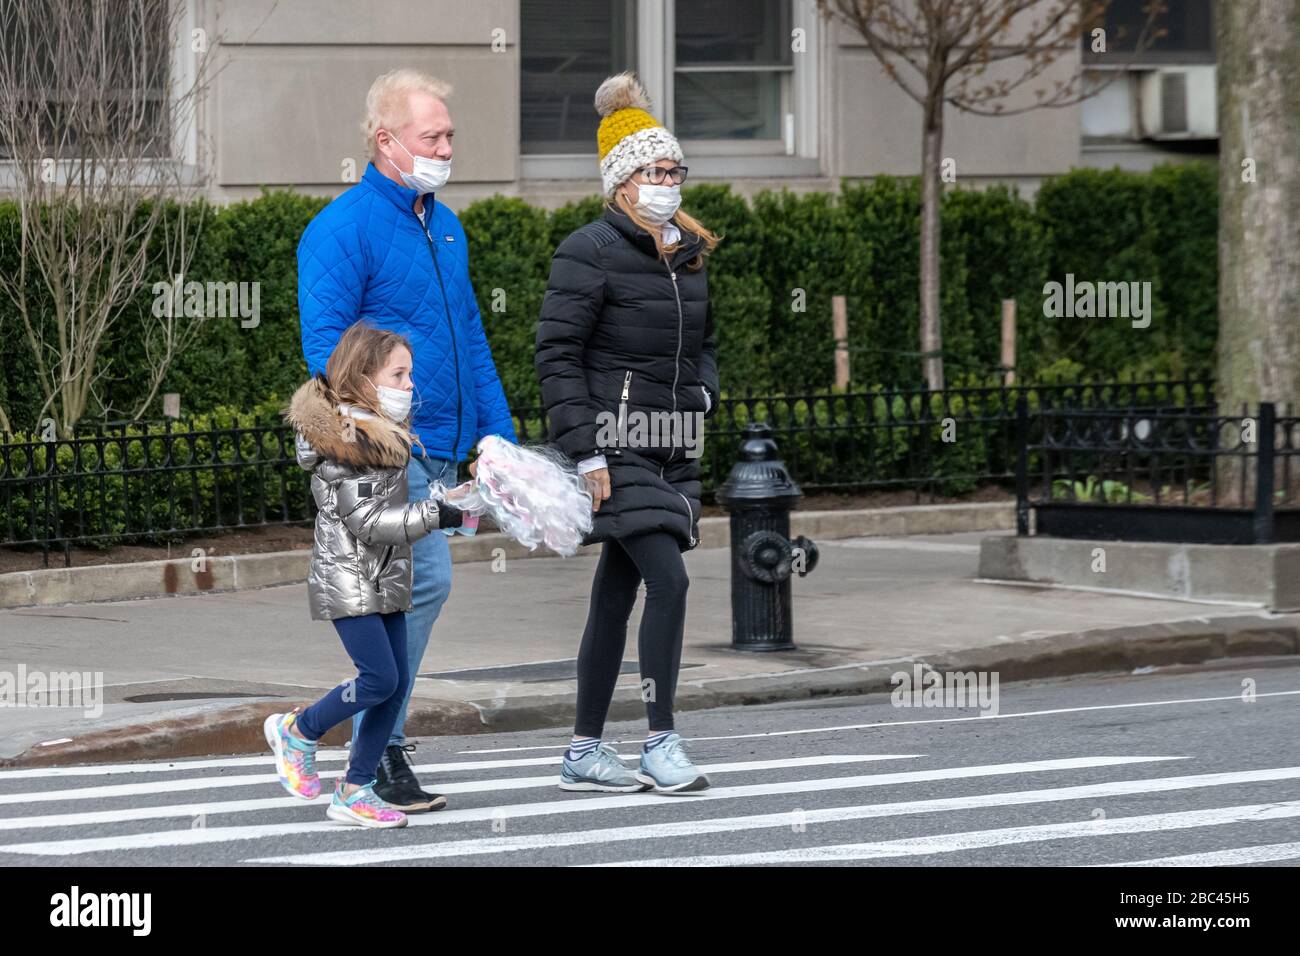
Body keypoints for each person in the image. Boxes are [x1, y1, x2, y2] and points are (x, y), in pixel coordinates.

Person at [296, 69, 517, 811]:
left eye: (450, 134)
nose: (448, 147)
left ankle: (360, 745)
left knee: (406, 593)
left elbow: (471, 338)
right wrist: (380, 437)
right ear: (386, 141)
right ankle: (379, 748)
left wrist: (498, 435)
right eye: (434, 136)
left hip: (447, 444)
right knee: (426, 582)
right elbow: (329, 351)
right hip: (389, 453)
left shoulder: (444, 224)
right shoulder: (341, 228)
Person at [535, 72, 722, 794]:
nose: (668, 182)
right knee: (668, 582)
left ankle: (583, 750)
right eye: (655, 170)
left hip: (675, 441)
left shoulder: (690, 253)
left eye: (675, 170)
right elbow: (558, 354)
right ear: (622, 182)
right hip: (613, 442)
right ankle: (660, 739)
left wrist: (704, 391)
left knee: (617, 592)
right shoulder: (590, 249)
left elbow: (705, 343)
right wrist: (583, 451)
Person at [268, 323, 468, 828]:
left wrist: (448, 505)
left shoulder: (380, 436)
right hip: (350, 579)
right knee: (378, 678)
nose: (409, 386)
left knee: (394, 684)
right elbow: (368, 523)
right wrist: (436, 516)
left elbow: (391, 517)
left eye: (410, 374)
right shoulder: (346, 444)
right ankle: (301, 730)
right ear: (363, 378)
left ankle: (356, 789)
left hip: (386, 579)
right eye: (398, 374)